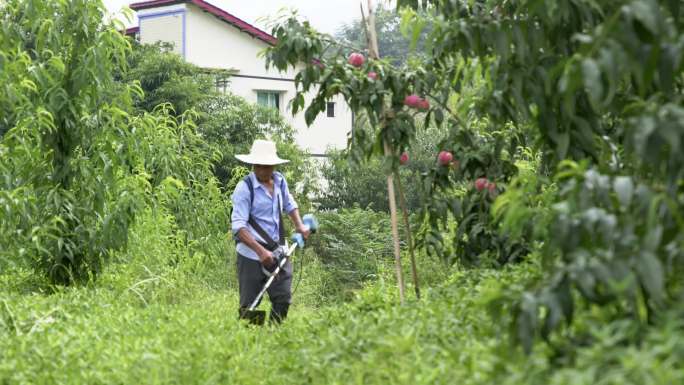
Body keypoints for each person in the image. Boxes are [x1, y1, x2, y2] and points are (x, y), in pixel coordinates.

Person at [231, 139, 310, 323]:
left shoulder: (280, 181)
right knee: (250, 306)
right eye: (258, 166)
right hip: (251, 254)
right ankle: (250, 341)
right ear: (253, 165)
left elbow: (290, 204)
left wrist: (299, 225)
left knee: (283, 298)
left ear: (273, 166)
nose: (262, 171)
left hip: (278, 251)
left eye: (267, 166)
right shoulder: (245, 188)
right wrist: (261, 252)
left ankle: (274, 336)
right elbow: (238, 227)